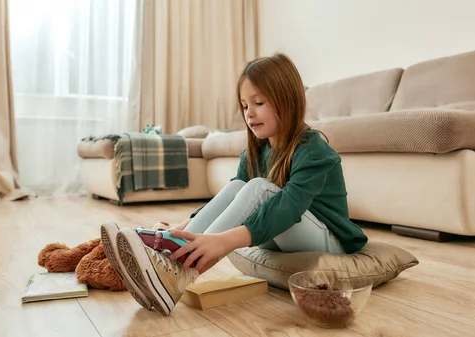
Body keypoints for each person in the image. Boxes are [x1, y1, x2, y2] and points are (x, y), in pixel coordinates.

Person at [100, 53, 368, 316]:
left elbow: (288, 207)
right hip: (278, 235)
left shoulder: (313, 149)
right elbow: (230, 200)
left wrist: (223, 241)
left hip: (327, 240)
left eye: (259, 102)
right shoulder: (256, 151)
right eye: (244, 106)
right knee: (238, 186)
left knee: (258, 188)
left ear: (288, 101)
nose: (249, 113)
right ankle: (171, 249)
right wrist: (182, 227)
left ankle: (179, 272)